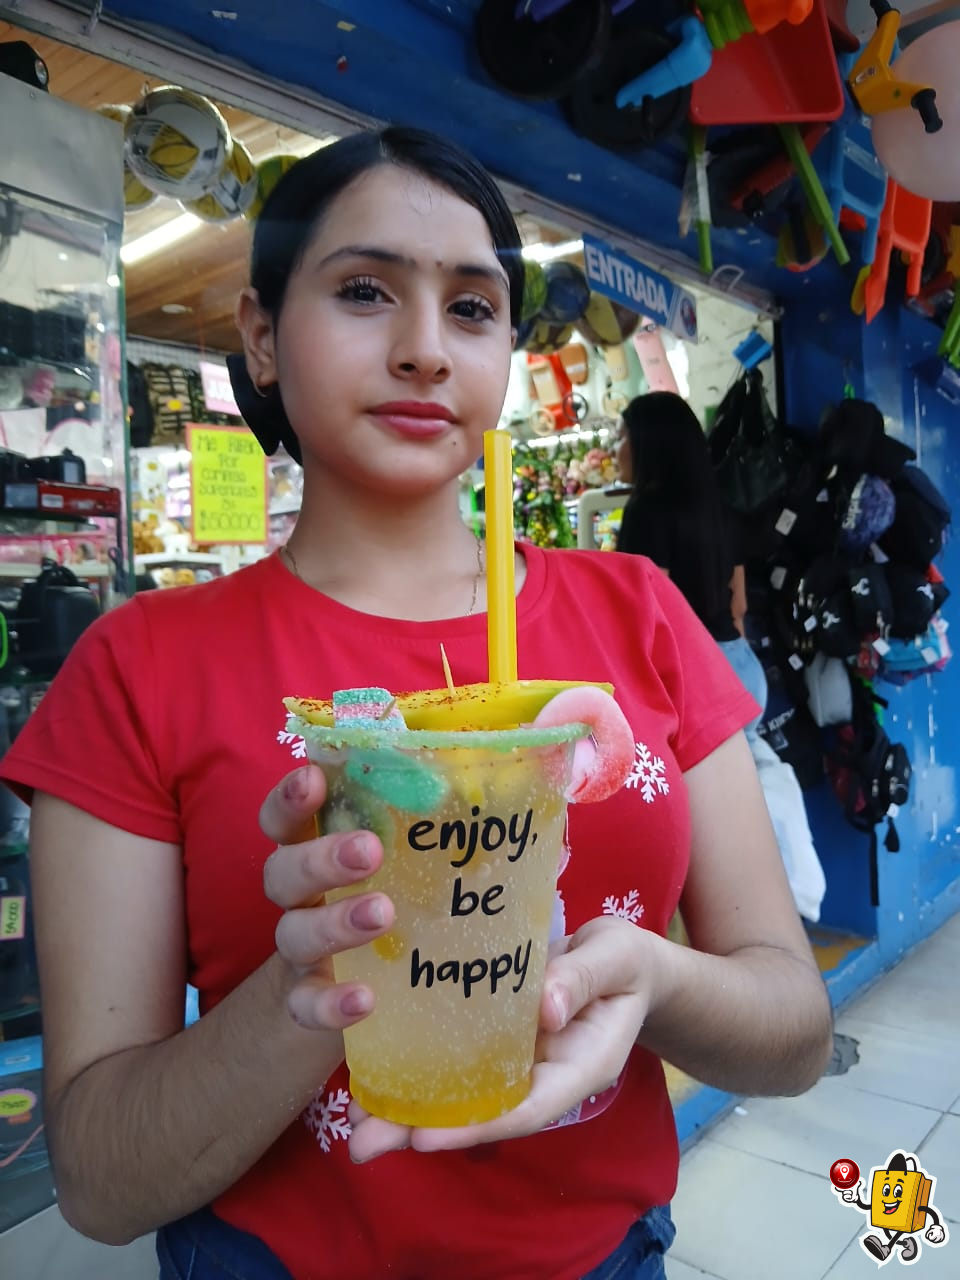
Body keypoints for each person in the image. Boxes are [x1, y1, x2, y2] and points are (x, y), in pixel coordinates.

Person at [0, 128, 833, 1280]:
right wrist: (317, 982)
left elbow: (795, 1034)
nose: (426, 350)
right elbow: (99, 1178)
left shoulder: (639, 611)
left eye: (473, 308)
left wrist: (657, 975)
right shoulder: (137, 666)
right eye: (363, 290)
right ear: (261, 336)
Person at [616, 391, 769, 739]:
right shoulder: (720, 506)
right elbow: (739, 607)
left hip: (697, 681)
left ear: (649, 444)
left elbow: (653, 616)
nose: (616, 450)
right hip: (743, 670)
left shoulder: (646, 512)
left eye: (622, 437)